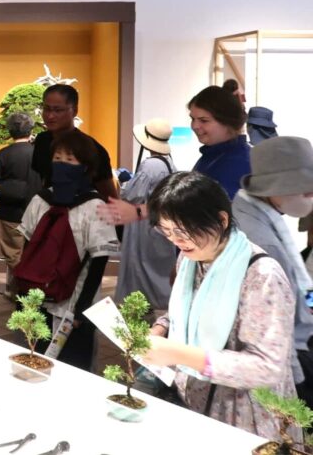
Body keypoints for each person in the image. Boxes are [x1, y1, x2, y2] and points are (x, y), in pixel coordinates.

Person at [144, 172, 298, 441]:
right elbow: (187, 308)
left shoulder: (261, 275)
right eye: (166, 231)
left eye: (183, 230)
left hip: (245, 418)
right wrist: (160, 328)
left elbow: (267, 368)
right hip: (193, 400)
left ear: (221, 220)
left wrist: (182, 354)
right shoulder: (190, 258)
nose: (176, 240)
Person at [18, 129, 119, 371]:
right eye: (58, 158)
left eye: (70, 160)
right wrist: (23, 294)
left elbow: (98, 263)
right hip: (38, 300)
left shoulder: (95, 206)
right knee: (35, 361)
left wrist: (81, 311)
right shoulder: (41, 201)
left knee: (74, 367)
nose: (62, 164)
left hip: (74, 306)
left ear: (86, 167)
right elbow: (28, 250)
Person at [231, 136, 313, 406]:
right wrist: (296, 379)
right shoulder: (262, 240)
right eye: (306, 191)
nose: (310, 198)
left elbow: (299, 289)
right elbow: (277, 322)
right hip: (286, 352)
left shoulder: (255, 213)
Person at [112, 118, 178, 311]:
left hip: (143, 224)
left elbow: (132, 195)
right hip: (159, 221)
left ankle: (140, 307)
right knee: (156, 267)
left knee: (140, 266)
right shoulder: (169, 163)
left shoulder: (149, 165)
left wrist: (125, 181)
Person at [0, 112, 41, 295]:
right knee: (34, 253)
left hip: (10, 212)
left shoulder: (4, 154)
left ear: (10, 131)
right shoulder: (39, 153)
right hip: (36, 211)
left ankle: (18, 292)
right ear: (31, 130)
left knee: (13, 253)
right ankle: (32, 293)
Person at [30, 84, 116, 200]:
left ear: (74, 111)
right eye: (47, 109)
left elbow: (110, 197)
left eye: (58, 110)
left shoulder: (91, 148)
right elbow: (43, 180)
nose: (50, 116)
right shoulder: (42, 140)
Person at [188, 85, 250, 199]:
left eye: (204, 120)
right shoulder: (212, 155)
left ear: (227, 122)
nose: (194, 126)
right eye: (192, 119)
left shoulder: (238, 163)